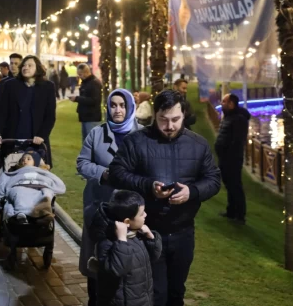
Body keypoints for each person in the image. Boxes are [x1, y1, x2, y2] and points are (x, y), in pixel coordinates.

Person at [109, 90, 221, 306]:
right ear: (155, 115)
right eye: (163, 119)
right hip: (147, 233)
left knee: (177, 292)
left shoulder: (198, 144)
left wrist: (192, 192)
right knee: (156, 294)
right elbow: (116, 173)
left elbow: (213, 179)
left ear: (184, 114)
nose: (169, 126)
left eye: (175, 119)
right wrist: (148, 186)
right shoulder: (136, 141)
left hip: (183, 233)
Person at [77, 89, 141, 306]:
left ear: (130, 107)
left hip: (130, 212)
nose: (117, 110)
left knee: (125, 264)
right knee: (97, 263)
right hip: (99, 207)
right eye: (113, 105)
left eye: (122, 105)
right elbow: (82, 163)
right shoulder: (97, 133)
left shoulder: (142, 134)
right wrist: (103, 173)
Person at [88, 190, 162, 306]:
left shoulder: (135, 234)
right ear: (127, 221)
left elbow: (153, 257)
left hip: (142, 299)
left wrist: (150, 237)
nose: (145, 215)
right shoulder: (107, 242)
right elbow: (118, 269)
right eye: (141, 214)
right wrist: (122, 240)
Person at [0, 55, 56, 165]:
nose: (26, 68)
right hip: (13, 138)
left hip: (36, 140)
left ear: (37, 68)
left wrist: (42, 135)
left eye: (30, 65)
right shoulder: (10, 85)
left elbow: (50, 115)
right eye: (24, 65)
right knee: (10, 169)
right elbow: (1, 112)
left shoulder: (48, 87)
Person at [0, 151, 65, 222]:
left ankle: (44, 213)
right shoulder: (16, 172)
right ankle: (20, 213)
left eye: (28, 159)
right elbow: (5, 179)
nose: (25, 160)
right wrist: (0, 196)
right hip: (20, 186)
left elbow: (54, 180)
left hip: (39, 187)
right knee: (18, 192)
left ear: (36, 162)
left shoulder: (42, 172)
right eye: (23, 159)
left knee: (47, 192)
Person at [215, 93, 251, 224]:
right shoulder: (228, 116)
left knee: (235, 185)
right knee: (229, 185)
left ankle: (240, 216)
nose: (221, 104)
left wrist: (228, 154)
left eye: (224, 101)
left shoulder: (239, 119)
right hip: (225, 158)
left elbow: (237, 141)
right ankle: (231, 211)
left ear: (231, 104)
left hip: (232, 159)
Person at [70, 64, 102, 142]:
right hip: (86, 116)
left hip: (92, 117)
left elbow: (94, 100)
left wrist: (77, 99)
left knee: (91, 141)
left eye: (80, 74)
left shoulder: (94, 83)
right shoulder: (86, 82)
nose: (79, 76)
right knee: (86, 141)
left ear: (86, 72)